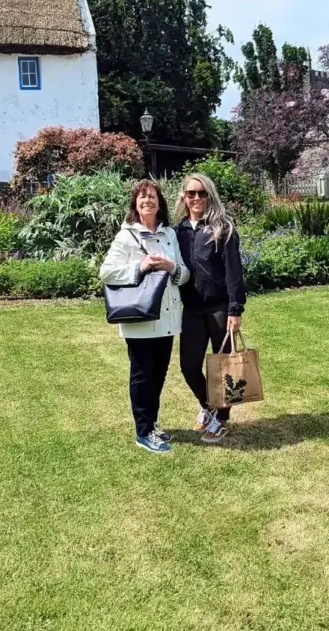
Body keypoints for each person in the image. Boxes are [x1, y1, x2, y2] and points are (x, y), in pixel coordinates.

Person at [100, 180, 190, 454]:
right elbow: (106, 272)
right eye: (142, 197)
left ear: (159, 203)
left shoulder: (169, 235)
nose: (147, 201)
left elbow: (184, 274)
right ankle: (143, 431)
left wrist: (171, 266)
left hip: (167, 317)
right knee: (142, 375)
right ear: (135, 204)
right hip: (140, 319)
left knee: (159, 374)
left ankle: (151, 423)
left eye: (152, 197)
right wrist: (141, 265)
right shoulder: (126, 236)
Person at [174, 172, 246, 444]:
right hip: (191, 308)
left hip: (219, 308)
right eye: (191, 193)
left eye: (201, 193)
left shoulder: (222, 228)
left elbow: (233, 271)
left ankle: (222, 420)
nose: (196, 198)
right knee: (188, 366)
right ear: (183, 196)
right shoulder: (177, 231)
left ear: (209, 195)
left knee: (224, 368)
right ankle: (207, 405)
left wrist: (234, 310)